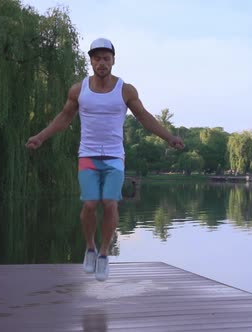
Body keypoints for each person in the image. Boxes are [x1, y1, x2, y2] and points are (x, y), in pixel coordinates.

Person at [25, 38, 184, 281]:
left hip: (114, 157)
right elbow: (64, 118)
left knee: (110, 203)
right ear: (91, 61)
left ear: (113, 60)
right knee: (90, 205)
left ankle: (104, 252)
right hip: (87, 155)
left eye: (106, 58)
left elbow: (144, 117)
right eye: (97, 58)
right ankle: (89, 247)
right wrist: (41, 137)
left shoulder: (125, 90)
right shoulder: (79, 90)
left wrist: (169, 137)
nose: (101, 63)